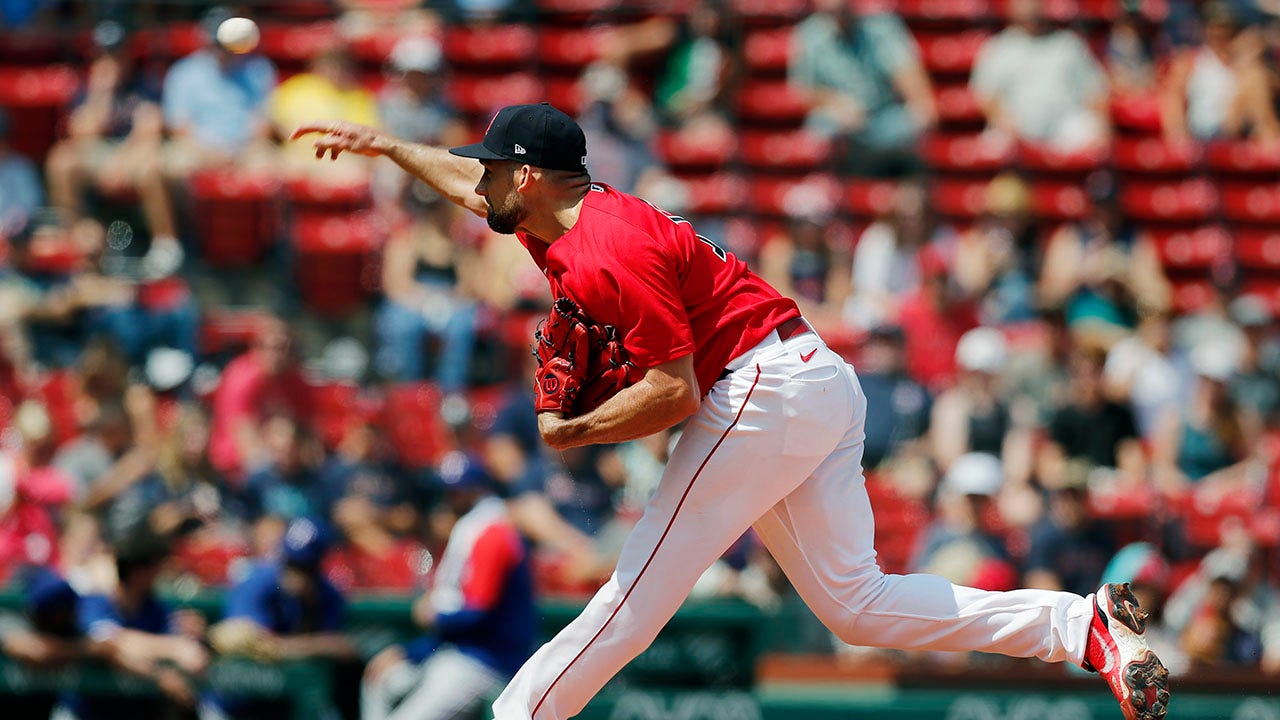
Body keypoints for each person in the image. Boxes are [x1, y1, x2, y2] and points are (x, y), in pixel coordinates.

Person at [293, 103, 1170, 720]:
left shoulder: (603, 252)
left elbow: (673, 391)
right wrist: (385, 146)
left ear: (525, 176)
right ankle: (1080, 626)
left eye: (492, 168)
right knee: (855, 606)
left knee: (633, 599)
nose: (479, 181)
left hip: (758, 390)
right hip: (811, 379)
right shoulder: (562, 214)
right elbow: (465, 184)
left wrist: (574, 431)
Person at [362, 453, 535, 720]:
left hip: (487, 663)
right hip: (456, 654)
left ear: (477, 491)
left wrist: (435, 615)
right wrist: (409, 651)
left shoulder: (493, 532)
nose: (449, 499)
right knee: (381, 679)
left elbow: (478, 613)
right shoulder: (471, 529)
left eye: (457, 492)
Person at [210, 517, 356, 719]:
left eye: (304, 567)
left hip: (286, 707)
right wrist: (319, 645)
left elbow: (343, 650)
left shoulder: (328, 594)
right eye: (291, 563)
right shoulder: (257, 582)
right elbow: (252, 642)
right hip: (234, 704)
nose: (295, 574)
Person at [789, 0, 935, 176]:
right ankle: (828, 191)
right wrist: (837, 104)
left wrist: (919, 109)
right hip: (842, 123)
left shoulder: (881, 26)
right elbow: (803, 91)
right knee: (820, 128)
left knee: (916, 121)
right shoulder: (808, 34)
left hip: (884, 118)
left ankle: (904, 187)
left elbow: (916, 89)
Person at [71, 534, 208, 719]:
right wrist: (172, 649)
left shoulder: (155, 609)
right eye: (156, 568)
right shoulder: (97, 603)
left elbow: (186, 648)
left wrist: (189, 636)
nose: (159, 574)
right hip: (87, 712)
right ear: (138, 572)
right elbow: (107, 645)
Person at [970, 0, 1110, 151]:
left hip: (1064, 126)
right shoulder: (998, 47)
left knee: (1091, 131)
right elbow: (985, 94)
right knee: (992, 146)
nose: (1028, 8)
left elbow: (1095, 91)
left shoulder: (1068, 44)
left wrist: (1100, 123)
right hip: (1015, 128)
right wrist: (1003, 120)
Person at [1160, 1, 1280, 145]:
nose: (1221, 34)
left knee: (1256, 78)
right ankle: (1270, 140)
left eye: (1228, 29)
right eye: (1217, 28)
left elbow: (1271, 88)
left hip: (1237, 129)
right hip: (1205, 132)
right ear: (1207, 29)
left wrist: (1249, 53)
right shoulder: (1192, 60)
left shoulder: (1241, 64)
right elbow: (1173, 100)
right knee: (1254, 80)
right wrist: (1178, 138)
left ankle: (1269, 139)